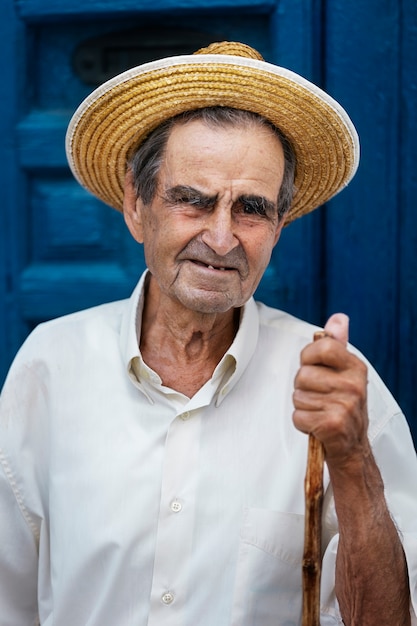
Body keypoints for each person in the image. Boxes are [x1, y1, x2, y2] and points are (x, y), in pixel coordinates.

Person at [0, 41, 416, 626]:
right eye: (192, 202)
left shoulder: (339, 388)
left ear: (278, 226)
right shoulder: (51, 364)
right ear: (136, 204)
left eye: (250, 208)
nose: (221, 239)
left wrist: (352, 461)